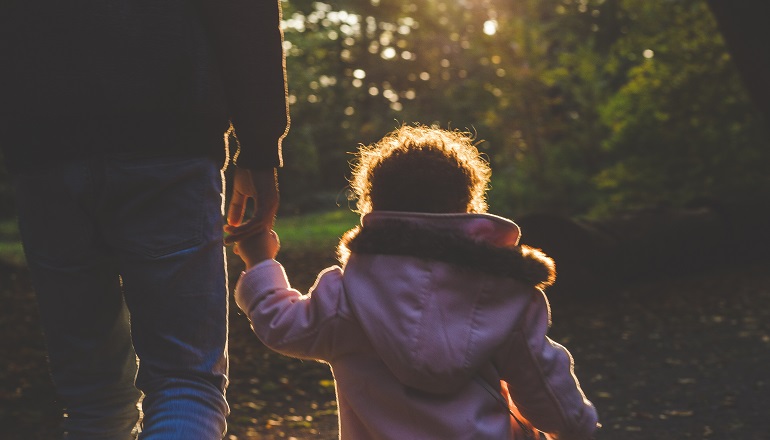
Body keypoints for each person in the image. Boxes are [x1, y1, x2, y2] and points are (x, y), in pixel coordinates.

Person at [0, 0, 289, 438]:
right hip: (166, 135)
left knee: (92, 400)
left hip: (43, 152)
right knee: (186, 382)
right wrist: (260, 145)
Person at [231, 125, 599, 439]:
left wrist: (260, 261)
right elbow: (542, 383)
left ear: (372, 206)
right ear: (468, 206)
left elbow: (283, 324)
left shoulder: (346, 296)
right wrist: (575, 428)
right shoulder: (503, 293)